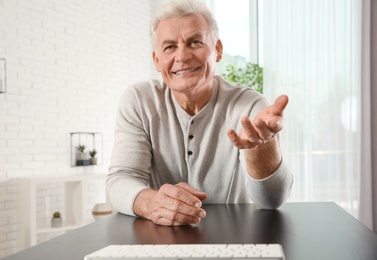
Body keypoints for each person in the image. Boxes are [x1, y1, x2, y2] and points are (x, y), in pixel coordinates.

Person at [107, 0, 293, 226]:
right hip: (160, 240)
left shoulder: (250, 105)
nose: (182, 56)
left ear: (217, 50)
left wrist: (262, 151)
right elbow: (120, 180)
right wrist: (151, 202)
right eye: (169, 47)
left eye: (194, 42)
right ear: (157, 60)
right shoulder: (138, 100)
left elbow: (272, 201)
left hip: (235, 239)